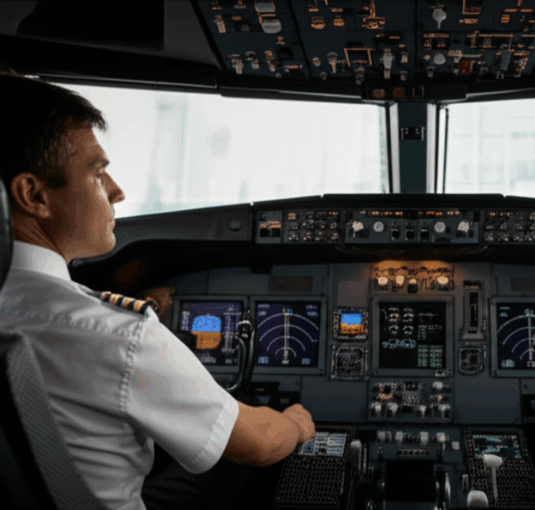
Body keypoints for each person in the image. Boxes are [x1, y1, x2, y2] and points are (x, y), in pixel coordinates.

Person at [0, 72, 316, 510]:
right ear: (33, 195)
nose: (117, 192)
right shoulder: (118, 335)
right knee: (238, 455)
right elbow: (260, 443)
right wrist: (296, 424)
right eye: (97, 172)